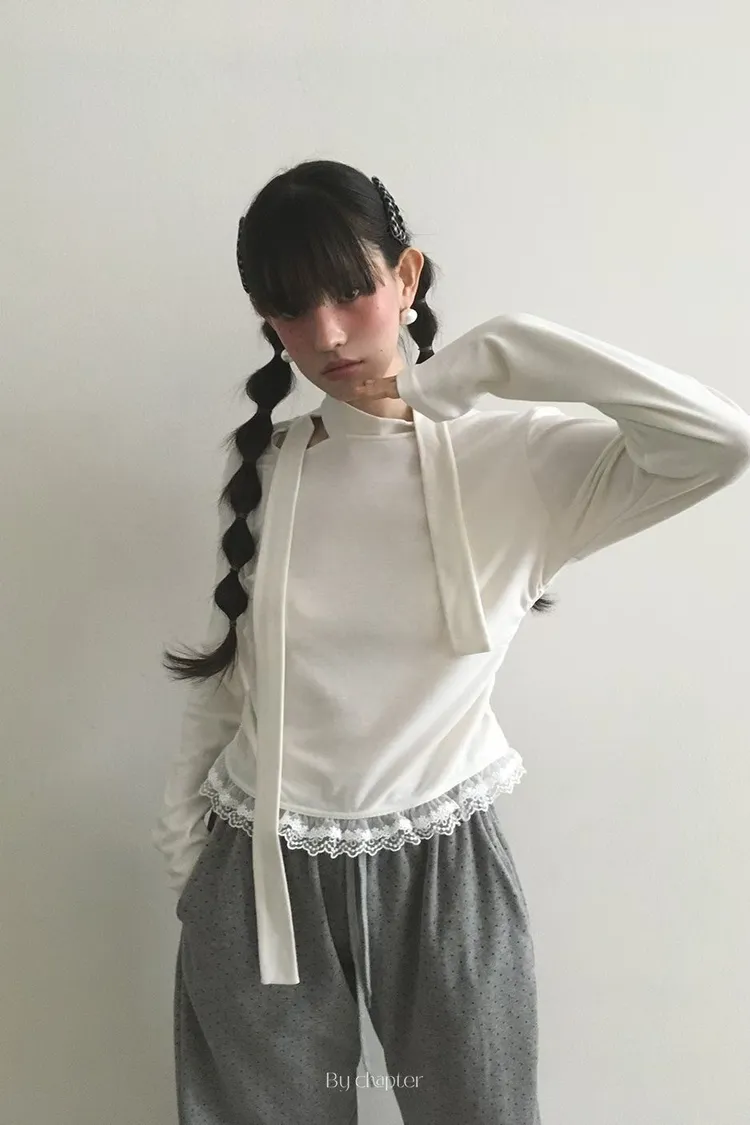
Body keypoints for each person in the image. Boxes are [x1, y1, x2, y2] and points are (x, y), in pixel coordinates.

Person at [152, 158, 750, 1125]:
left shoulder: (517, 458)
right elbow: (235, 678)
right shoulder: (265, 463)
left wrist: (508, 354)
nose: (328, 334)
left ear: (407, 276)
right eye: (292, 308)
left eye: (350, 290)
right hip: (256, 874)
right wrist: (188, 863)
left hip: (443, 871)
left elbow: (719, 442)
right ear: (267, 319)